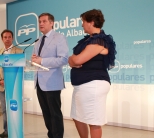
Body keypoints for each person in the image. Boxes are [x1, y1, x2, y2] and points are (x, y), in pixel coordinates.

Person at [68, 9, 116, 138]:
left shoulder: (99, 41)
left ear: (91, 22)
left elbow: (76, 59)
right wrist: (72, 60)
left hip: (93, 84)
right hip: (83, 86)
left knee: (94, 121)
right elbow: (72, 60)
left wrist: (72, 60)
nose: (82, 24)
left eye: (83, 21)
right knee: (77, 116)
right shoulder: (89, 40)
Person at [31, 13, 69, 138]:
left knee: (55, 114)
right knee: (46, 113)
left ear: (51, 23)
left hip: (52, 82)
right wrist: (34, 60)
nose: (41, 24)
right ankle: (51, 135)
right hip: (39, 82)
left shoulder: (59, 38)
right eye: (39, 21)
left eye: (44, 21)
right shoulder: (38, 40)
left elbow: (63, 59)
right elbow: (37, 60)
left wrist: (42, 60)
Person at [0, 29, 23, 138]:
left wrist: (11, 80)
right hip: (2, 86)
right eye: (5, 37)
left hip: (14, 86)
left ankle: (15, 130)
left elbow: (21, 69)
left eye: (9, 37)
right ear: (2, 39)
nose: (7, 39)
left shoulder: (19, 51)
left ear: (12, 38)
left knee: (15, 108)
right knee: (5, 110)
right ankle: (6, 131)